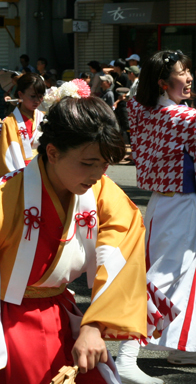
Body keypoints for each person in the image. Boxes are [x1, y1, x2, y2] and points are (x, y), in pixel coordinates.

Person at [0, 95, 155, 384]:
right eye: (88, 163)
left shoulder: (104, 192)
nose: (97, 174)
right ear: (53, 152)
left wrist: (94, 325)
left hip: (65, 318)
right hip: (4, 327)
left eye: (104, 164)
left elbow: (124, 257)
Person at [121, 50, 196, 383]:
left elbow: (135, 97)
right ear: (164, 83)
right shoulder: (184, 118)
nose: (190, 77)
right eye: (182, 73)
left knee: (181, 275)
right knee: (163, 277)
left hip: (161, 204)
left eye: (189, 71)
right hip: (182, 203)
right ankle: (126, 352)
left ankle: (180, 346)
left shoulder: (141, 110)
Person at [0, 73, 46, 177]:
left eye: (40, 96)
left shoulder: (44, 118)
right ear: (20, 94)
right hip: (19, 173)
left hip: (44, 171)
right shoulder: (9, 122)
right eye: (33, 96)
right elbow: (7, 157)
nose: (37, 101)